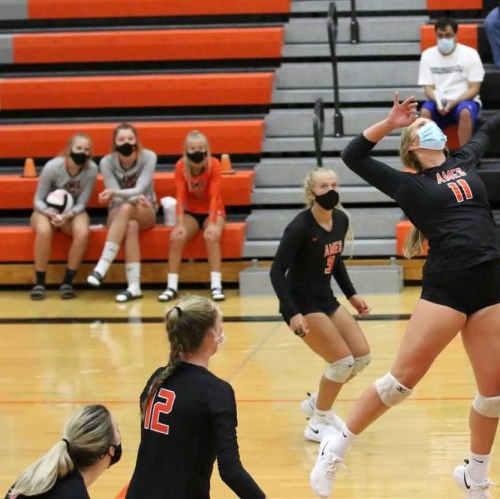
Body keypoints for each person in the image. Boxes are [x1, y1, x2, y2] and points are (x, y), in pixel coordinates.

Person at [308, 85, 500, 499]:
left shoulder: (463, 158)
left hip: (489, 283)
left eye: (429, 122)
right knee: (400, 383)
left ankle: (475, 475)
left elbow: (490, 128)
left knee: (494, 393)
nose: (433, 128)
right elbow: (353, 157)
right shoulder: (407, 184)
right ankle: (336, 446)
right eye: (424, 126)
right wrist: (390, 123)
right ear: (414, 145)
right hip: (447, 288)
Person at [126, 296, 265, 499]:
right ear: (210, 336)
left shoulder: (157, 378)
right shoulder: (217, 392)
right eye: (220, 328)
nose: (222, 333)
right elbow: (231, 471)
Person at [269, 168, 371, 443]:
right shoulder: (299, 227)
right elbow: (276, 272)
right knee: (342, 362)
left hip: (326, 299)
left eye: (334, 184)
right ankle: (317, 422)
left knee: (361, 358)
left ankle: (318, 402)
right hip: (302, 304)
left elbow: (335, 260)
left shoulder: (340, 219)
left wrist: (352, 296)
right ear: (311, 192)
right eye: (324, 186)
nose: (330, 190)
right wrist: (292, 313)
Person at [87, 123, 157, 303]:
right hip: (118, 209)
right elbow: (116, 197)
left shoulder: (149, 157)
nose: (126, 142)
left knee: (128, 210)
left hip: (145, 208)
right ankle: (134, 287)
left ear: (136, 141)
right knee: (130, 224)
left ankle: (102, 266)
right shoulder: (106, 162)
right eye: (122, 139)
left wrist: (122, 195)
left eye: (130, 139)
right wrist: (128, 197)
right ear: (114, 143)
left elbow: (140, 188)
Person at [159, 131, 227, 303]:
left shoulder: (214, 164)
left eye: (200, 148)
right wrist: (180, 224)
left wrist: (212, 223)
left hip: (214, 210)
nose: (197, 152)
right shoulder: (181, 166)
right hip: (192, 212)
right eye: (192, 148)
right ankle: (171, 286)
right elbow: (180, 197)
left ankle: (216, 285)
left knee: (211, 236)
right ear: (185, 150)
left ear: (207, 150)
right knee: (176, 238)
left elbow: (214, 196)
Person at [30, 134, 98, 301]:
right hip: (46, 210)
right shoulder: (52, 167)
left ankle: (67, 282)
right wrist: (49, 212)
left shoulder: (92, 169)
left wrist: (68, 215)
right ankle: (39, 283)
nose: (83, 152)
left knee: (82, 233)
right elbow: (37, 199)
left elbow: (82, 202)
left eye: (86, 150)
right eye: (79, 148)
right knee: (44, 231)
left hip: (72, 212)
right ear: (70, 149)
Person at [6, 404, 122, 499]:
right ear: (110, 450)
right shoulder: (74, 495)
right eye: (116, 429)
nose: (119, 433)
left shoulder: (34, 478)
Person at [418, 16, 485, 145]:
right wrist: (438, 102)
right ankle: (430, 157)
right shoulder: (427, 55)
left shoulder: (470, 54)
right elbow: (428, 87)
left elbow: (474, 88)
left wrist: (453, 102)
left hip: (464, 101)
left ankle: (464, 157)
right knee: (425, 112)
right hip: (438, 101)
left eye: (448, 35)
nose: (444, 39)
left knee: (465, 113)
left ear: (456, 35)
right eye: (440, 35)